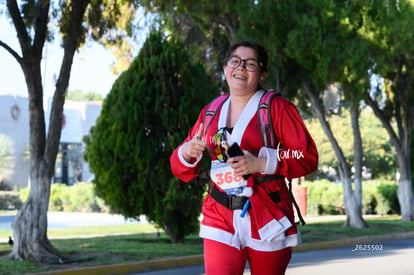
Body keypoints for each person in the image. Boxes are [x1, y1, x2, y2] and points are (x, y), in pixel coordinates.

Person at [170, 40, 318, 275]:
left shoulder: (277, 108)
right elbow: (180, 167)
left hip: (267, 212)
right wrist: (187, 152)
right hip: (219, 212)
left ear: (262, 74)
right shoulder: (211, 110)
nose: (240, 68)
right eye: (234, 61)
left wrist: (261, 163)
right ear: (225, 67)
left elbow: (306, 156)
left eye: (250, 64)